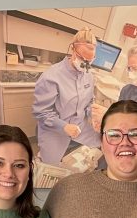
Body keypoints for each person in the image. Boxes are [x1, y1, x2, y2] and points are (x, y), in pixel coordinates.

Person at [32, 27, 102, 165]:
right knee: (51, 168)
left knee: (101, 147)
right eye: (83, 59)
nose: (86, 65)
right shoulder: (51, 77)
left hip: (80, 127)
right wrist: (64, 127)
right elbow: (41, 113)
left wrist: (93, 114)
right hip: (54, 130)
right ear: (72, 49)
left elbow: (88, 102)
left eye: (90, 61)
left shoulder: (88, 75)